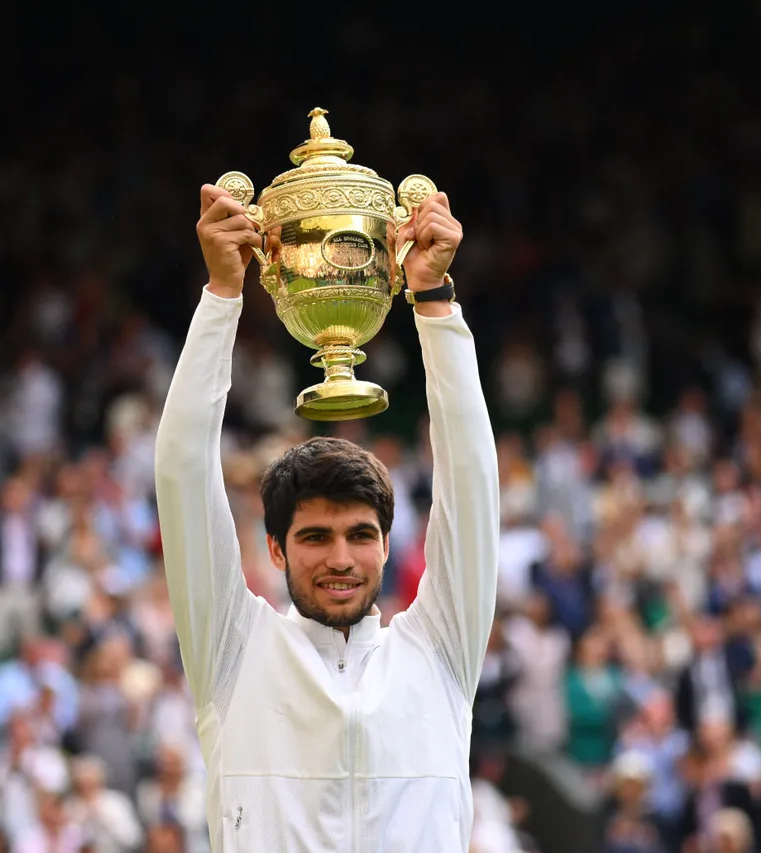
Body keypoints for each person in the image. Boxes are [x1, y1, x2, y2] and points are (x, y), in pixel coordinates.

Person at [154, 184, 499, 851]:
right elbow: (181, 473)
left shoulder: (440, 653)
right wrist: (223, 295)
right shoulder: (232, 653)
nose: (341, 557)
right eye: (315, 536)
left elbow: (474, 483)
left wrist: (433, 303)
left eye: (360, 535)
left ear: (386, 544)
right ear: (276, 550)